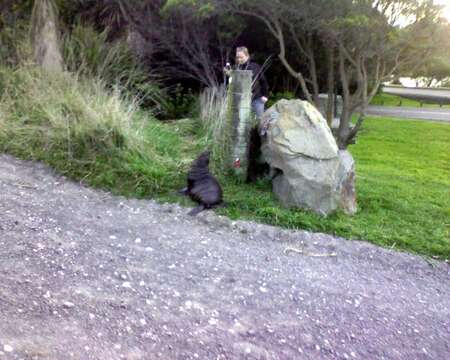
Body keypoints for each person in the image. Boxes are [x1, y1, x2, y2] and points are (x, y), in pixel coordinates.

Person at [225, 46, 269, 118]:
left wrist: (266, 96)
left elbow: (263, 81)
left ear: (247, 56)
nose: (239, 59)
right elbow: (234, 84)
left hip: (256, 99)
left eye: (241, 57)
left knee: (260, 120)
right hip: (242, 100)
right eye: (237, 57)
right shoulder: (236, 68)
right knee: (243, 121)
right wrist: (230, 75)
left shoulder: (255, 66)